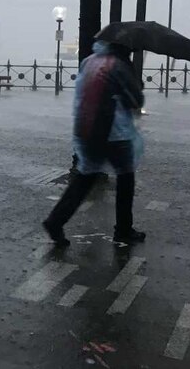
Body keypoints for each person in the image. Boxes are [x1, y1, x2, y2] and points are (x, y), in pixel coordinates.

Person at [43, 41, 146, 246]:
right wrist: (134, 78)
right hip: (114, 132)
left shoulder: (90, 61)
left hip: (85, 128)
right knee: (126, 178)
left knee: (85, 178)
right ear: (124, 48)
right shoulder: (118, 65)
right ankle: (123, 229)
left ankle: (56, 220)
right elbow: (136, 99)